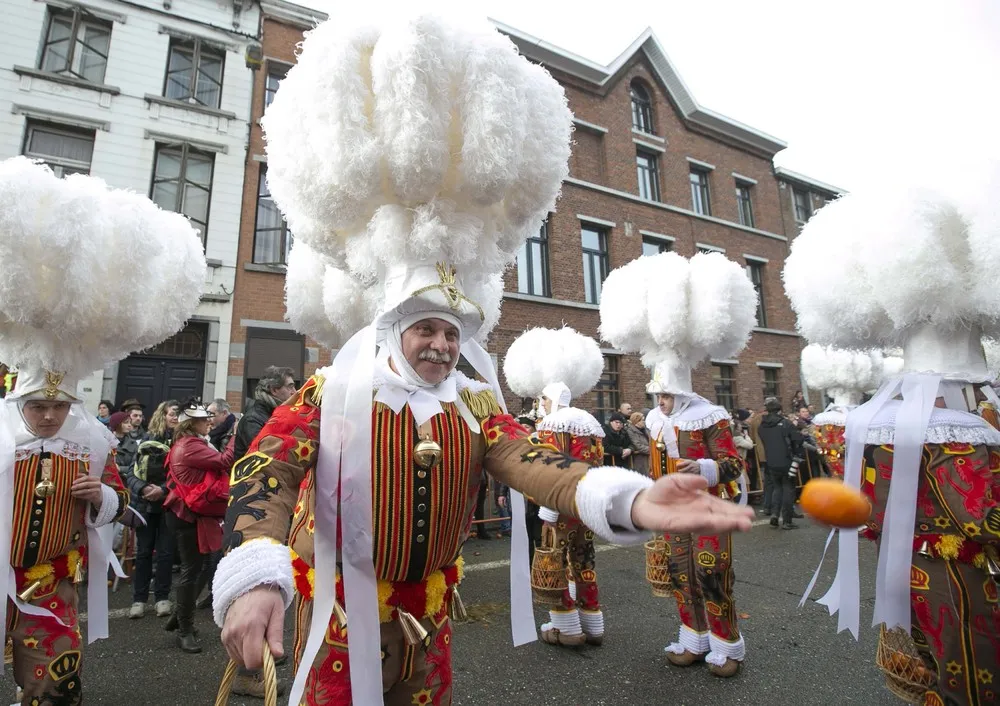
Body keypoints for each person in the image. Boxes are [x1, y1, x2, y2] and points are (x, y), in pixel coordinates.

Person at [212, 16, 754, 705]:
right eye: (426, 330)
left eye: (451, 333)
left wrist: (630, 498)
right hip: (341, 622)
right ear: (393, 332)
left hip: (430, 619)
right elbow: (265, 471)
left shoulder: (472, 405)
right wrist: (256, 577)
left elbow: (534, 462)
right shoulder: (331, 391)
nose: (442, 346)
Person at [0, 156, 206, 704]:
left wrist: (102, 498)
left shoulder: (90, 442)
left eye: (58, 405)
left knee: (56, 689)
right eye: (38, 405)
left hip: (52, 585)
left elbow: (122, 498)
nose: (49, 415)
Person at [786, 185, 1000, 706]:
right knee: (971, 675)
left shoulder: (881, 425)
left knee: (938, 669)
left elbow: (863, 509)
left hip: (906, 568)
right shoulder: (960, 430)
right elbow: (986, 516)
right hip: (963, 575)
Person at [599, 248, 757, 677]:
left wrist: (704, 468)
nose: (661, 403)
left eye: (667, 396)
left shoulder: (711, 416)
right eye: (658, 396)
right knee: (680, 577)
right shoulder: (654, 421)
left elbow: (733, 464)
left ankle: (727, 645)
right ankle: (693, 638)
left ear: (682, 393)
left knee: (712, 577)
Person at [503, 325, 609, 647]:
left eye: (542, 400)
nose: (540, 405)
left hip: (560, 507)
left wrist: (548, 506)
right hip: (585, 505)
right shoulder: (590, 423)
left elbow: (553, 469)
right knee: (584, 561)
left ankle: (567, 626)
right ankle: (592, 620)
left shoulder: (553, 424)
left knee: (556, 562)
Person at [163, 399, 235, 654]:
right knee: (192, 570)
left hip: (191, 513)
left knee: (202, 566)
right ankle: (184, 629)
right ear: (192, 424)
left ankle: (180, 616)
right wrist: (236, 435)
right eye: (204, 420)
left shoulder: (191, 443)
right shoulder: (191, 445)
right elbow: (226, 460)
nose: (209, 423)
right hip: (187, 515)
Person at [124, 400, 178, 620]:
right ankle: (139, 599)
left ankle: (162, 598)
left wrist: (163, 490)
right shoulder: (145, 440)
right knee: (144, 552)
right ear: (162, 415)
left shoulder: (182, 441)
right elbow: (131, 473)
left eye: (178, 414)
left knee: (165, 553)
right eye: (172, 413)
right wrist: (144, 488)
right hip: (145, 504)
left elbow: (182, 475)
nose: (175, 417)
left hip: (167, 505)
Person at [755, 397, 802, 529]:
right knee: (788, 489)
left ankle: (775, 514)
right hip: (786, 460)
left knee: (777, 488)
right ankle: (787, 521)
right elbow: (797, 439)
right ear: (779, 409)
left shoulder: (762, 425)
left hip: (771, 461)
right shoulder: (786, 423)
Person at [232, 366, 295, 460]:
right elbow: (266, 455)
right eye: (290, 387)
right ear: (274, 390)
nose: (294, 392)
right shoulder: (252, 420)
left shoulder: (278, 415)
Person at [626, 411, 652, 475]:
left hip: (649, 458)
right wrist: (653, 450)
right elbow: (638, 445)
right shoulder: (630, 431)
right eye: (642, 420)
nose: (644, 422)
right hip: (639, 459)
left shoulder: (646, 429)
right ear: (636, 421)